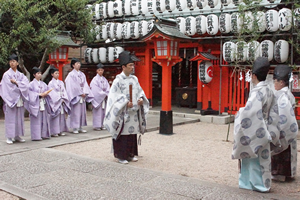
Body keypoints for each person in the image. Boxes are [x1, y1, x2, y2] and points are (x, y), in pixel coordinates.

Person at [232, 57, 274, 192]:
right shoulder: (269, 89)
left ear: (254, 75)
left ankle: (254, 184)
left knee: (253, 157)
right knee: (262, 159)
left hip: (256, 128)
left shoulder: (257, 92)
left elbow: (249, 113)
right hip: (265, 127)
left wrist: (239, 113)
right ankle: (261, 183)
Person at [104, 51, 149, 164]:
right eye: (130, 66)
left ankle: (131, 154)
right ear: (123, 67)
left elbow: (140, 91)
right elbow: (113, 97)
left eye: (133, 65)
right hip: (123, 112)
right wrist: (124, 103)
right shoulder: (117, 81)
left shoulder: (135, 79)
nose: (132, 68)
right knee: (123, 134)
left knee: (132, 134)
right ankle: (121, 155)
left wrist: (141, 99)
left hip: (133, 112)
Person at [270, 65, 298, 182]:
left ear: (281, 82)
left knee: (281, 150)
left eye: (275, 81)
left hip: (282, 127)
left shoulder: (281, 95)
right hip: (289, 127)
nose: (274, 83)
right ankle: (288, 174)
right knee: (289, 151)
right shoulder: (289, 94)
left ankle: (279, 174)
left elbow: (282, 116)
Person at [0, 54, 29, 144]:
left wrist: (16, 82)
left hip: (19, 99)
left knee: (19, 118)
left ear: (17, 63)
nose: (11, 63)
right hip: (11, 100)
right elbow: (7, 87)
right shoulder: (6, 75)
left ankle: (17, 135)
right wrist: (19, 86)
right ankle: (9, 136)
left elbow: (26, 84)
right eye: (10, 62)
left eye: (13, 61)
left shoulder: (20, 75)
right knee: (10, 118)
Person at [65, 58, 96, 134]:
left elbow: (85, 84)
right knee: (75, 112)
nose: (79, 65)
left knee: (82, 112)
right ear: (73, 65)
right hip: (76, 96)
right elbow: (71, 85)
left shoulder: (82, 74)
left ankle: (80, 126)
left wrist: (85, 92)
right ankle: (75, 127)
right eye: (77, 63)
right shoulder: (71, 75)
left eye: (79, 63)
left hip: (82, 95)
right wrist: (79, 92)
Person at [27, 67, 55, 141]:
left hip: (43, 102)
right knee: (36, 120)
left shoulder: (43, 84)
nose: (39, 75)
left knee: (44, 119)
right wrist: (38, 95)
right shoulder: (31, 84)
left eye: (40, 73)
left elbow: (48, 91)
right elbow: (30, 94)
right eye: (38, 73)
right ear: (34, 75)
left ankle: (44, 134)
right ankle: (36, 136)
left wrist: (46, 94)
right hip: (36, 103)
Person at [48, 66, 70, 137]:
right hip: (56, 101)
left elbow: (64, 91)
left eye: (58, 73)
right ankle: (54, 131)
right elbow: (51, 93)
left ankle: (61, 130)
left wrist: (64, 98)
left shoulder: (61, 82)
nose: (57, 74)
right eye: (55, 73)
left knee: (61, 116)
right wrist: (58, 98)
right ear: (52, 74)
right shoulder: (51, 83)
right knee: (56, 117)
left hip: (62, 100)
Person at [90, 63, 110, 130]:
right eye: (99, 70)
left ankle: (103, 124)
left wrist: (106, 94)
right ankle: (97, 125)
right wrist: (103, 94)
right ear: (97, 71)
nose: (100, 71)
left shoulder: (104, 79)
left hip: (103, 98)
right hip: (98, 99)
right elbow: (94, 89)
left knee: (104, 112)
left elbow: (108, 88)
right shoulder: (95, 79)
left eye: (101, 70)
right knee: (98, 112)